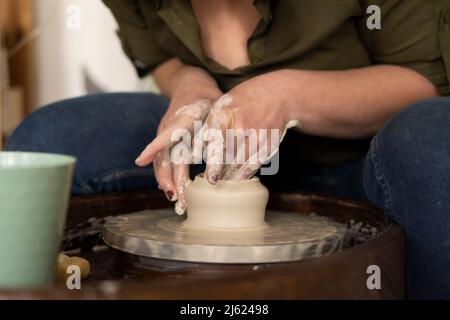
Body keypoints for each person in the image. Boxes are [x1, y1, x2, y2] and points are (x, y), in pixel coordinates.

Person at [5, 0, 450, 299]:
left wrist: (285, 94)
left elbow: (425, 80)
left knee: (433, 141)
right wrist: (191, 89)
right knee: (49, 141)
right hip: (205, 143)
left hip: (356, 159)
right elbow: (163, 60)